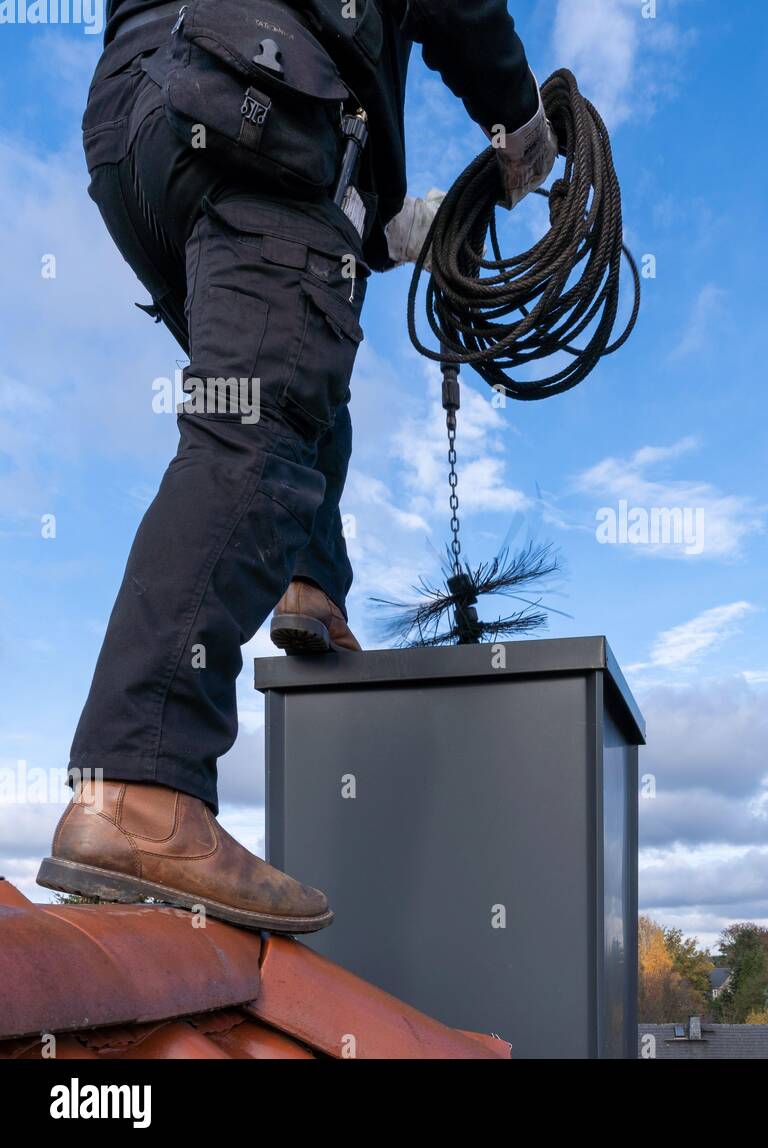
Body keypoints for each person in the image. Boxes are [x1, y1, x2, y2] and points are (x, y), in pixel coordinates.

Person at [37, 0, 556, 933]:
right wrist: (519, 121)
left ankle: (311, 587)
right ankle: (140, 791)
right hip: (257, 96)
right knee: (259, 432)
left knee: (293, 366)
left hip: (141, 130)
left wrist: (385, 224)